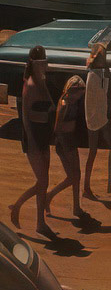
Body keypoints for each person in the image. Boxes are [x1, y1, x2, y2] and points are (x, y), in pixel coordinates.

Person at [11, 45, 54, 235]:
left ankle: (40, 222)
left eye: (45, 62)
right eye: (41, 62)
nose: (44, 65)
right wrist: (32, 142)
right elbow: (26, 118)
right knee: (42, 181)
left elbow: (51, 105)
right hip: (34, 136)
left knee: (44, 181)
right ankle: (18, 205)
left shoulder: (41, 81)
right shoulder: (30, 85)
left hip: (43, 134)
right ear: (34, 64)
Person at [46, 74, 88, 223]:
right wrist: (63, 147)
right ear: (71, 90)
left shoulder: (74, 102)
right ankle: (50, 196)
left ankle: (76, 207)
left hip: (70, 141)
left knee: (75, 176)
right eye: (78, 92)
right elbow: (57, 128)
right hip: (64, 142)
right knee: (73, 176)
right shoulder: (64, 104)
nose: (80, 95)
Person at [83, 43, 110, 200]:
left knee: (93, 153)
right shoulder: (94, 76)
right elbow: (97, 99)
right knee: (92, 153)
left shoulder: (98, 73)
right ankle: (86, 188)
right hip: (96, 119)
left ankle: (86, 187)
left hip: (99, 118)